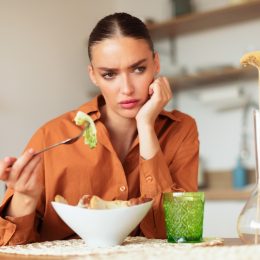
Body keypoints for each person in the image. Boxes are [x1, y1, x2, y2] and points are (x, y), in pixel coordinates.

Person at [0, 12, 199, 246]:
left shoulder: (181, 129)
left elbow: (178, 234)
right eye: (110, 74)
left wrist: (146, 126)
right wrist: (24, 196)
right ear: (93, 75)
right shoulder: (52, 136)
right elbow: (9, 249)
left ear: (156, 63)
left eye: (138, 69)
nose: (126, 88)